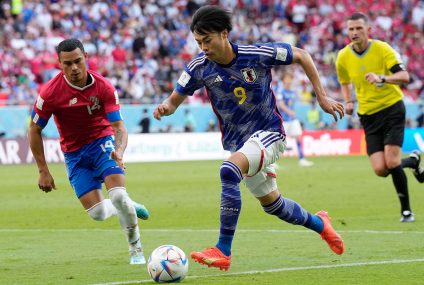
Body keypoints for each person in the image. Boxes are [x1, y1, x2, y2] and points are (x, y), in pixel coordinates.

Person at [153, 6, 345, 271]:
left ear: (224, 34)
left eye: (207, 40)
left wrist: (321, 96)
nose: (203, 47)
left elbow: (301, 55)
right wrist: (165, 107)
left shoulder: (256, 55)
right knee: (274, 206)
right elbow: (174, 100)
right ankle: (320, 224)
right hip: (240, 144)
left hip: (270, 134)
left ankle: (223, 249)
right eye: (198, 42)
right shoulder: (199, 67)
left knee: (229, 170)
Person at [28, 39, 150, 265]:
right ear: (60, 64)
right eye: (67, 64)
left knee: (118, 195)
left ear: (85, 58)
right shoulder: (50, 94)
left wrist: (120, 151)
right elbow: (34, 129)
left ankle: (136, 250)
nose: (74, 68)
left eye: (78, 61)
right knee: (98, 214)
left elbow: (118, 127)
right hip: (74, 155)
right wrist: (42, 170)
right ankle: (127, 206)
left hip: (102, 143)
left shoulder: (103, 87)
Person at [335, 12, 424, 223]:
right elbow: (344, 81)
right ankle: (412, 160)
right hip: (367, 115)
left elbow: (404, 76)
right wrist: (348, 102)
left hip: (392, 109)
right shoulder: (343, 56)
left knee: (392, 161)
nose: (354, 32)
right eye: (351, 29)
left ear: (368, 30)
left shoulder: (383, 49)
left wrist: (382, 78)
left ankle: (406, 211)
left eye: (359, 28)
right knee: (380, 169)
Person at [275, 71, 314, 167]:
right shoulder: (280, 91)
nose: (289, 80)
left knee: (298, 137)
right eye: (287, 78)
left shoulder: (293, 91)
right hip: (283, 120)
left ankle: (302, 159)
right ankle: (273, 162)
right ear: (283, 80)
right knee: (279, 141)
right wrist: (289, 111)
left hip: (293, 119)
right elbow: (280, 104)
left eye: (290, 78)